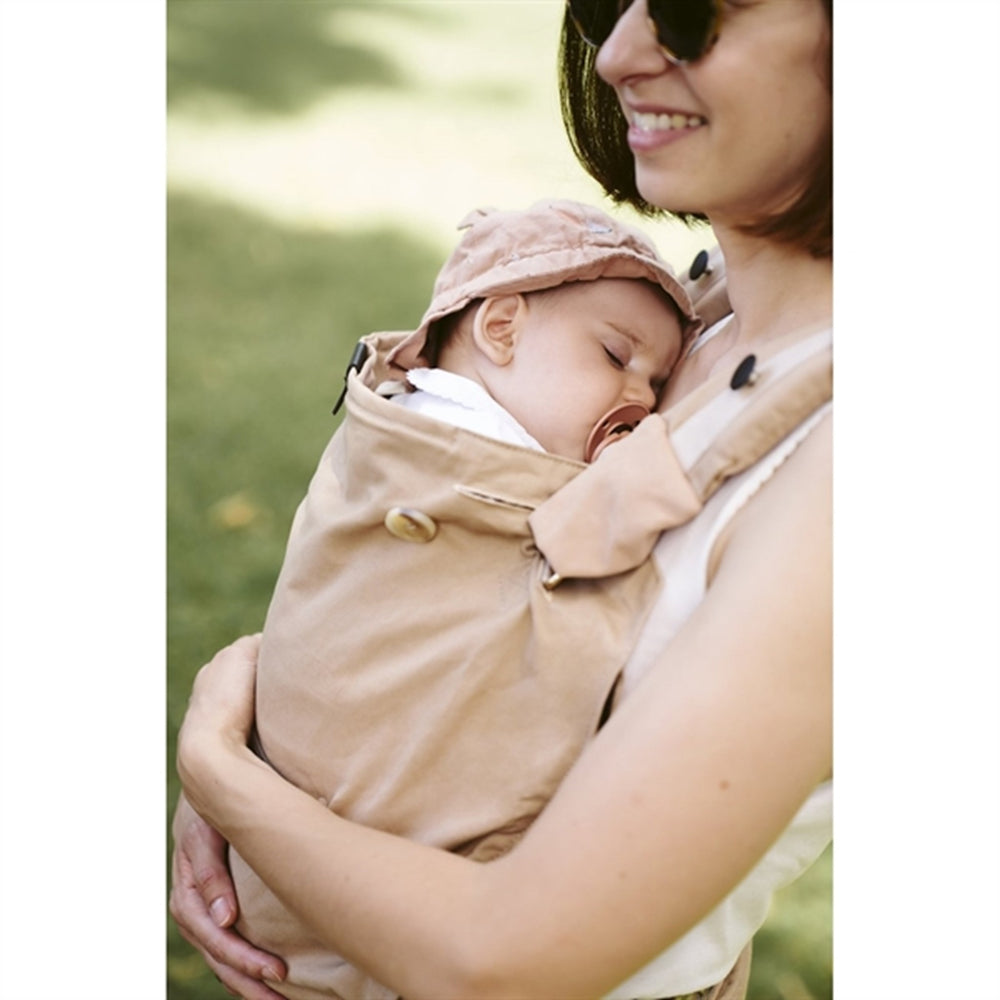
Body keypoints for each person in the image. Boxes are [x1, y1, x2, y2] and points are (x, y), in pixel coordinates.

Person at [172, 1, 833, 998]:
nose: (618, 54)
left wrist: (225, 774)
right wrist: (274, 719)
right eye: (609, 4)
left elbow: (502, 959)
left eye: (690, 11)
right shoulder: (690, 316)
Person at [227, 198, 697, 998]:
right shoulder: (460, 445)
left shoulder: (405, 413)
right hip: (392, 887)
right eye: (617, 354)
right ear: (501, 329)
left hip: (292, 891)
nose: (644, 399)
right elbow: (632, 519)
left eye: (658, 382)